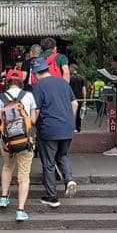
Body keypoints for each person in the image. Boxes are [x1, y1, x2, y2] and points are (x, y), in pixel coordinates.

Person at [31, 59, 79, 207]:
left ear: (36, 73)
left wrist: (32, 123)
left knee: (49, 162)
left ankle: (52, 197)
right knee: (62, 155)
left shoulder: (39, 86)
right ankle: (69, 179)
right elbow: (75, 104)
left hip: (49, 128)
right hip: (67, 127)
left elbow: (37, 110)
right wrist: (70, 121)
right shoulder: (63, 82)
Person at [0, 69, 37, 221]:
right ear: (21, 81)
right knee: (24, 175)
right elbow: (32, 121)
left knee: (7, 166)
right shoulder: (29, 96)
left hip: (7, 141)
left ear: (8, 81)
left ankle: (4, 198)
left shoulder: (1, 97)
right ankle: (20, 210)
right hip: (25, 140)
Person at [68, 63, 87, 133]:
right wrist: (84, 99)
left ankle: (71, 127)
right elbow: (83, 89)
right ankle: (78, 128)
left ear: (72, 68)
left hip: (72, 98)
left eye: (70, 68)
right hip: (80, 98)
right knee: (79, 113)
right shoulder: (82, 78)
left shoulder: (70, 78)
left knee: (71, 113)